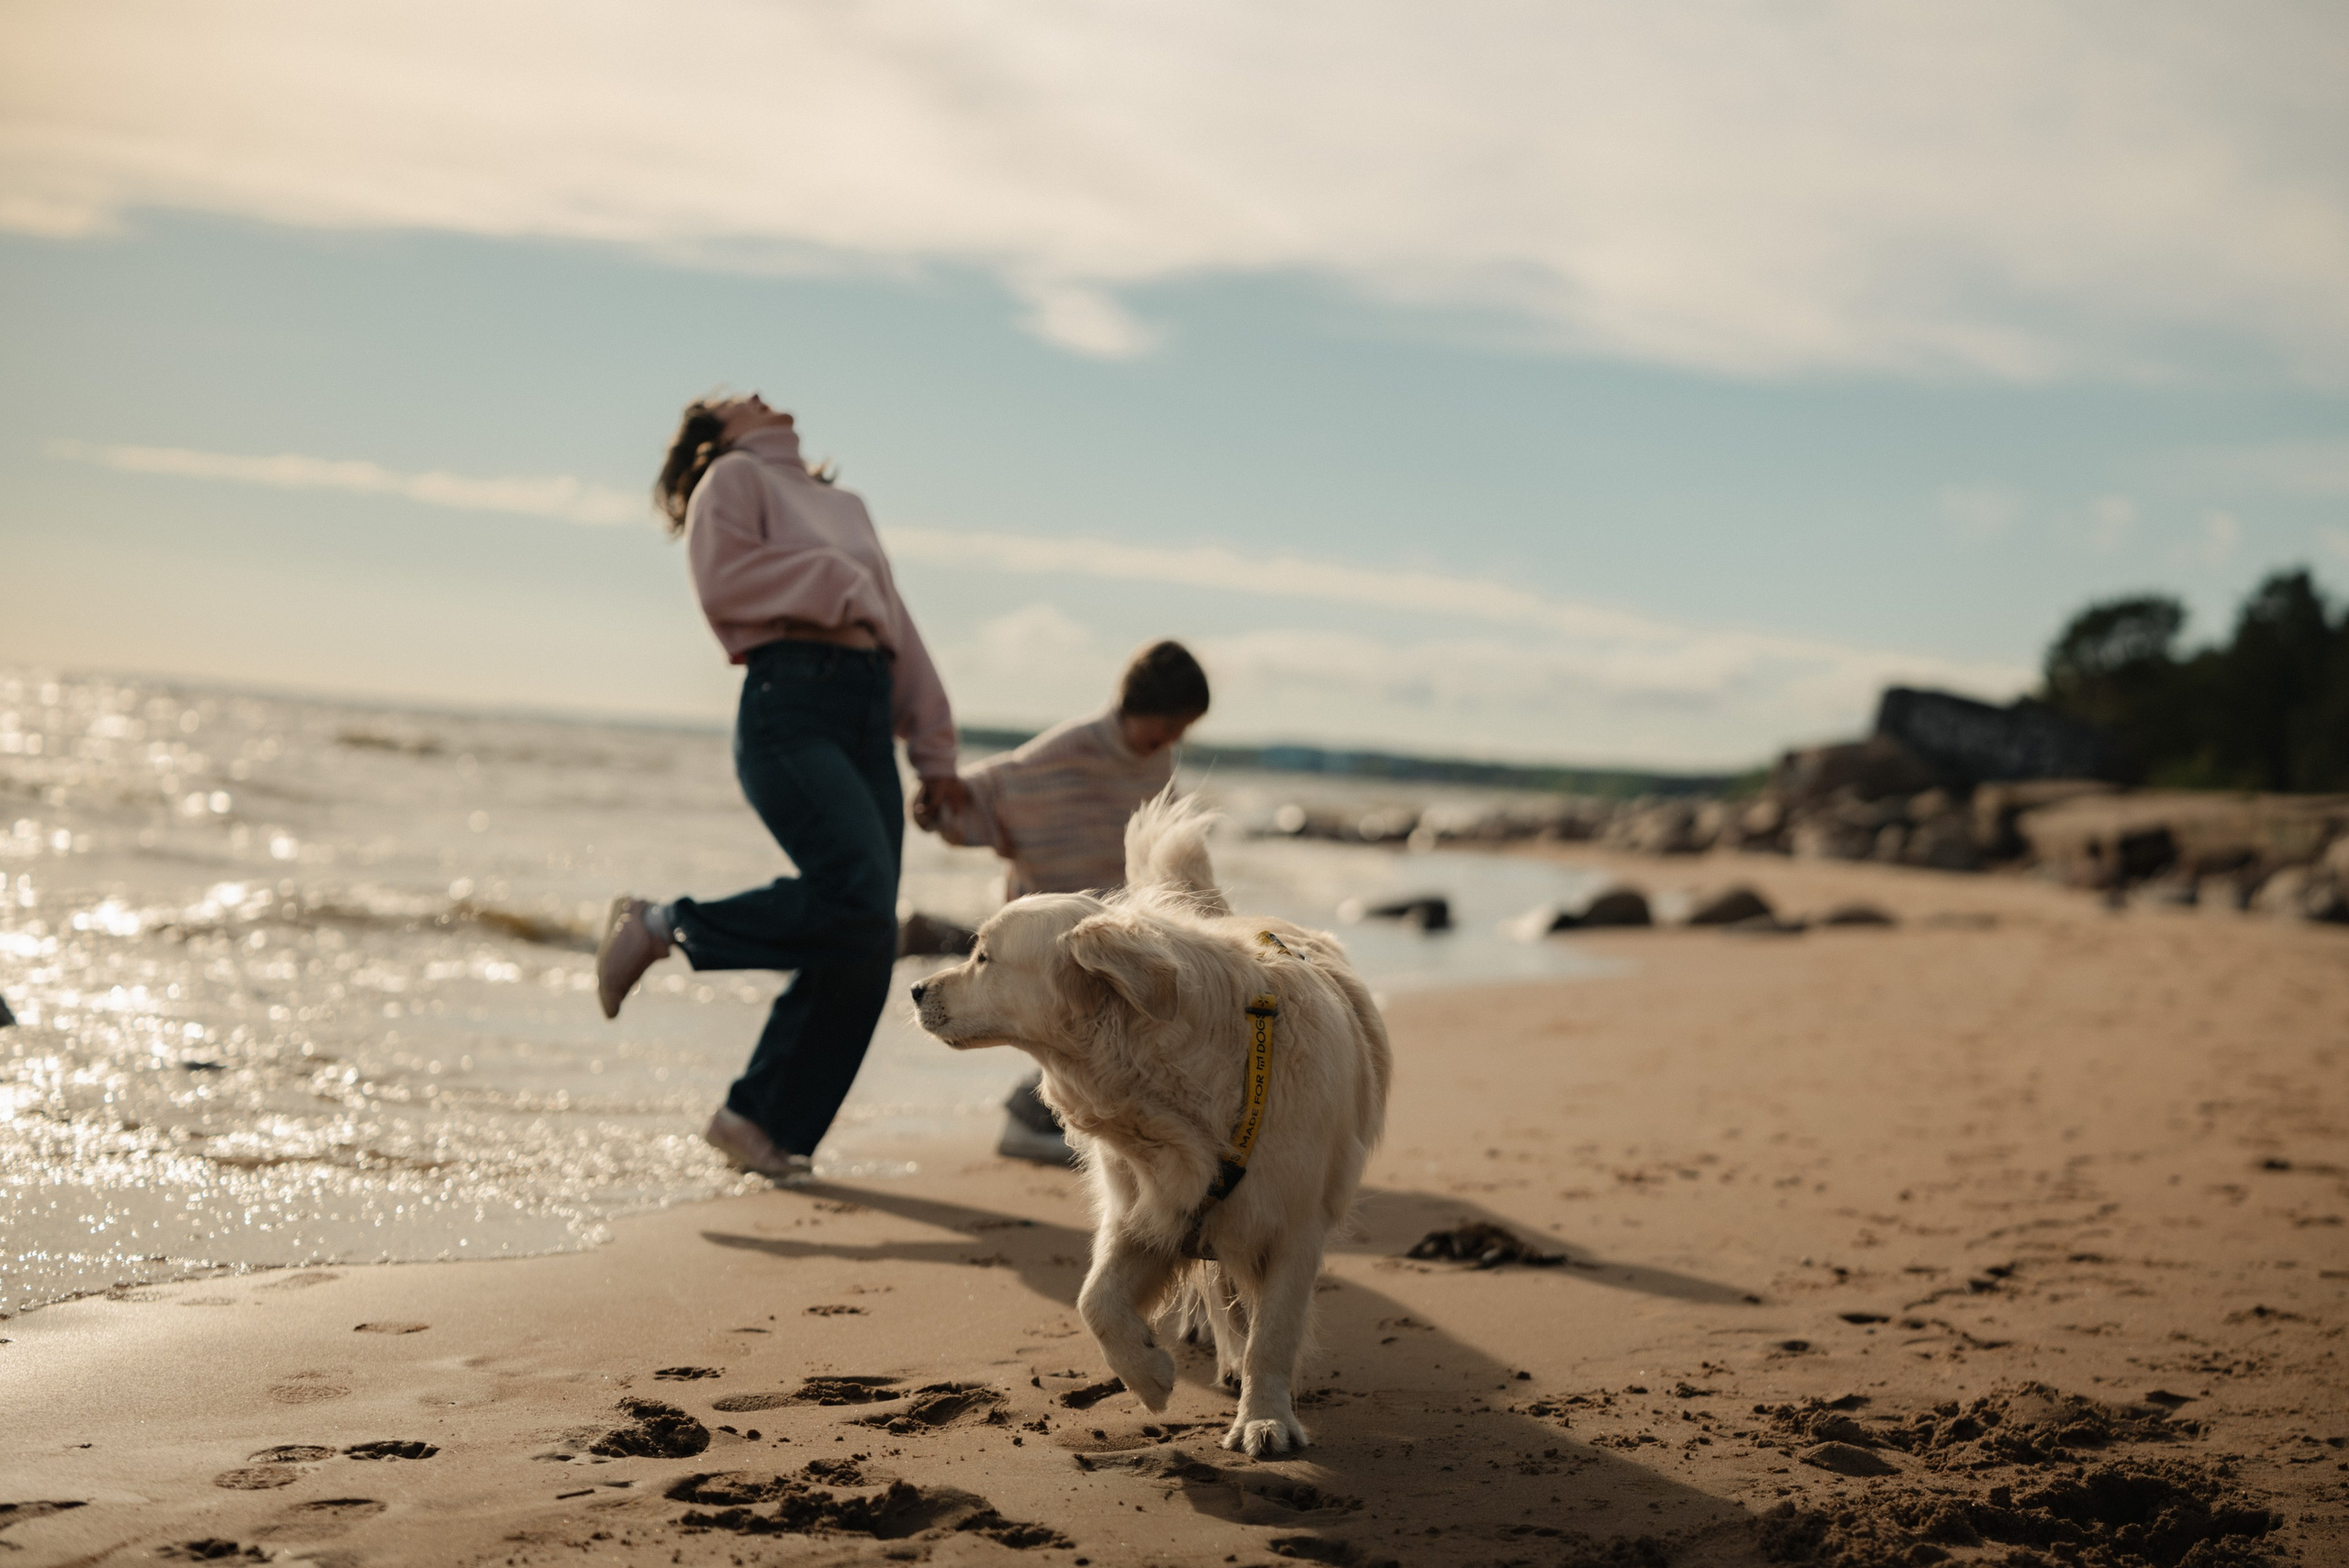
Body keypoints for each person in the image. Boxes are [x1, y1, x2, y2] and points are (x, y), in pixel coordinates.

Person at [596, 393, 966, 1183]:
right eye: (732, 398)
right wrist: (837, 579)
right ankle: (659, 924)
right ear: (717, 430)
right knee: (858, 893)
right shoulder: (732, 478)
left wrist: (935, 751)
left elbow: (897, 624)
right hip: (789, 703)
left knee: (866, 936)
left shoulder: (844, 505)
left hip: (867, 708)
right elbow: (724, 584)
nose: (758, 394)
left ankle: (757, 1120)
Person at [914, 639, 1208, 1161]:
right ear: (1137, 706)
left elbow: (1163, 837)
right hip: (1045, 935)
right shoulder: (1068, 751)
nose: (1173, 738)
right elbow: (999, 787)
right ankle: (1027, 1119)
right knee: (1057, 1025)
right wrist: (943, 806)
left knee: (1113, 1032)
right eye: (1169, 724)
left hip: (1113, 934)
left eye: (1183, 728)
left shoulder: (1155, 762)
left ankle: (1107, 1129)